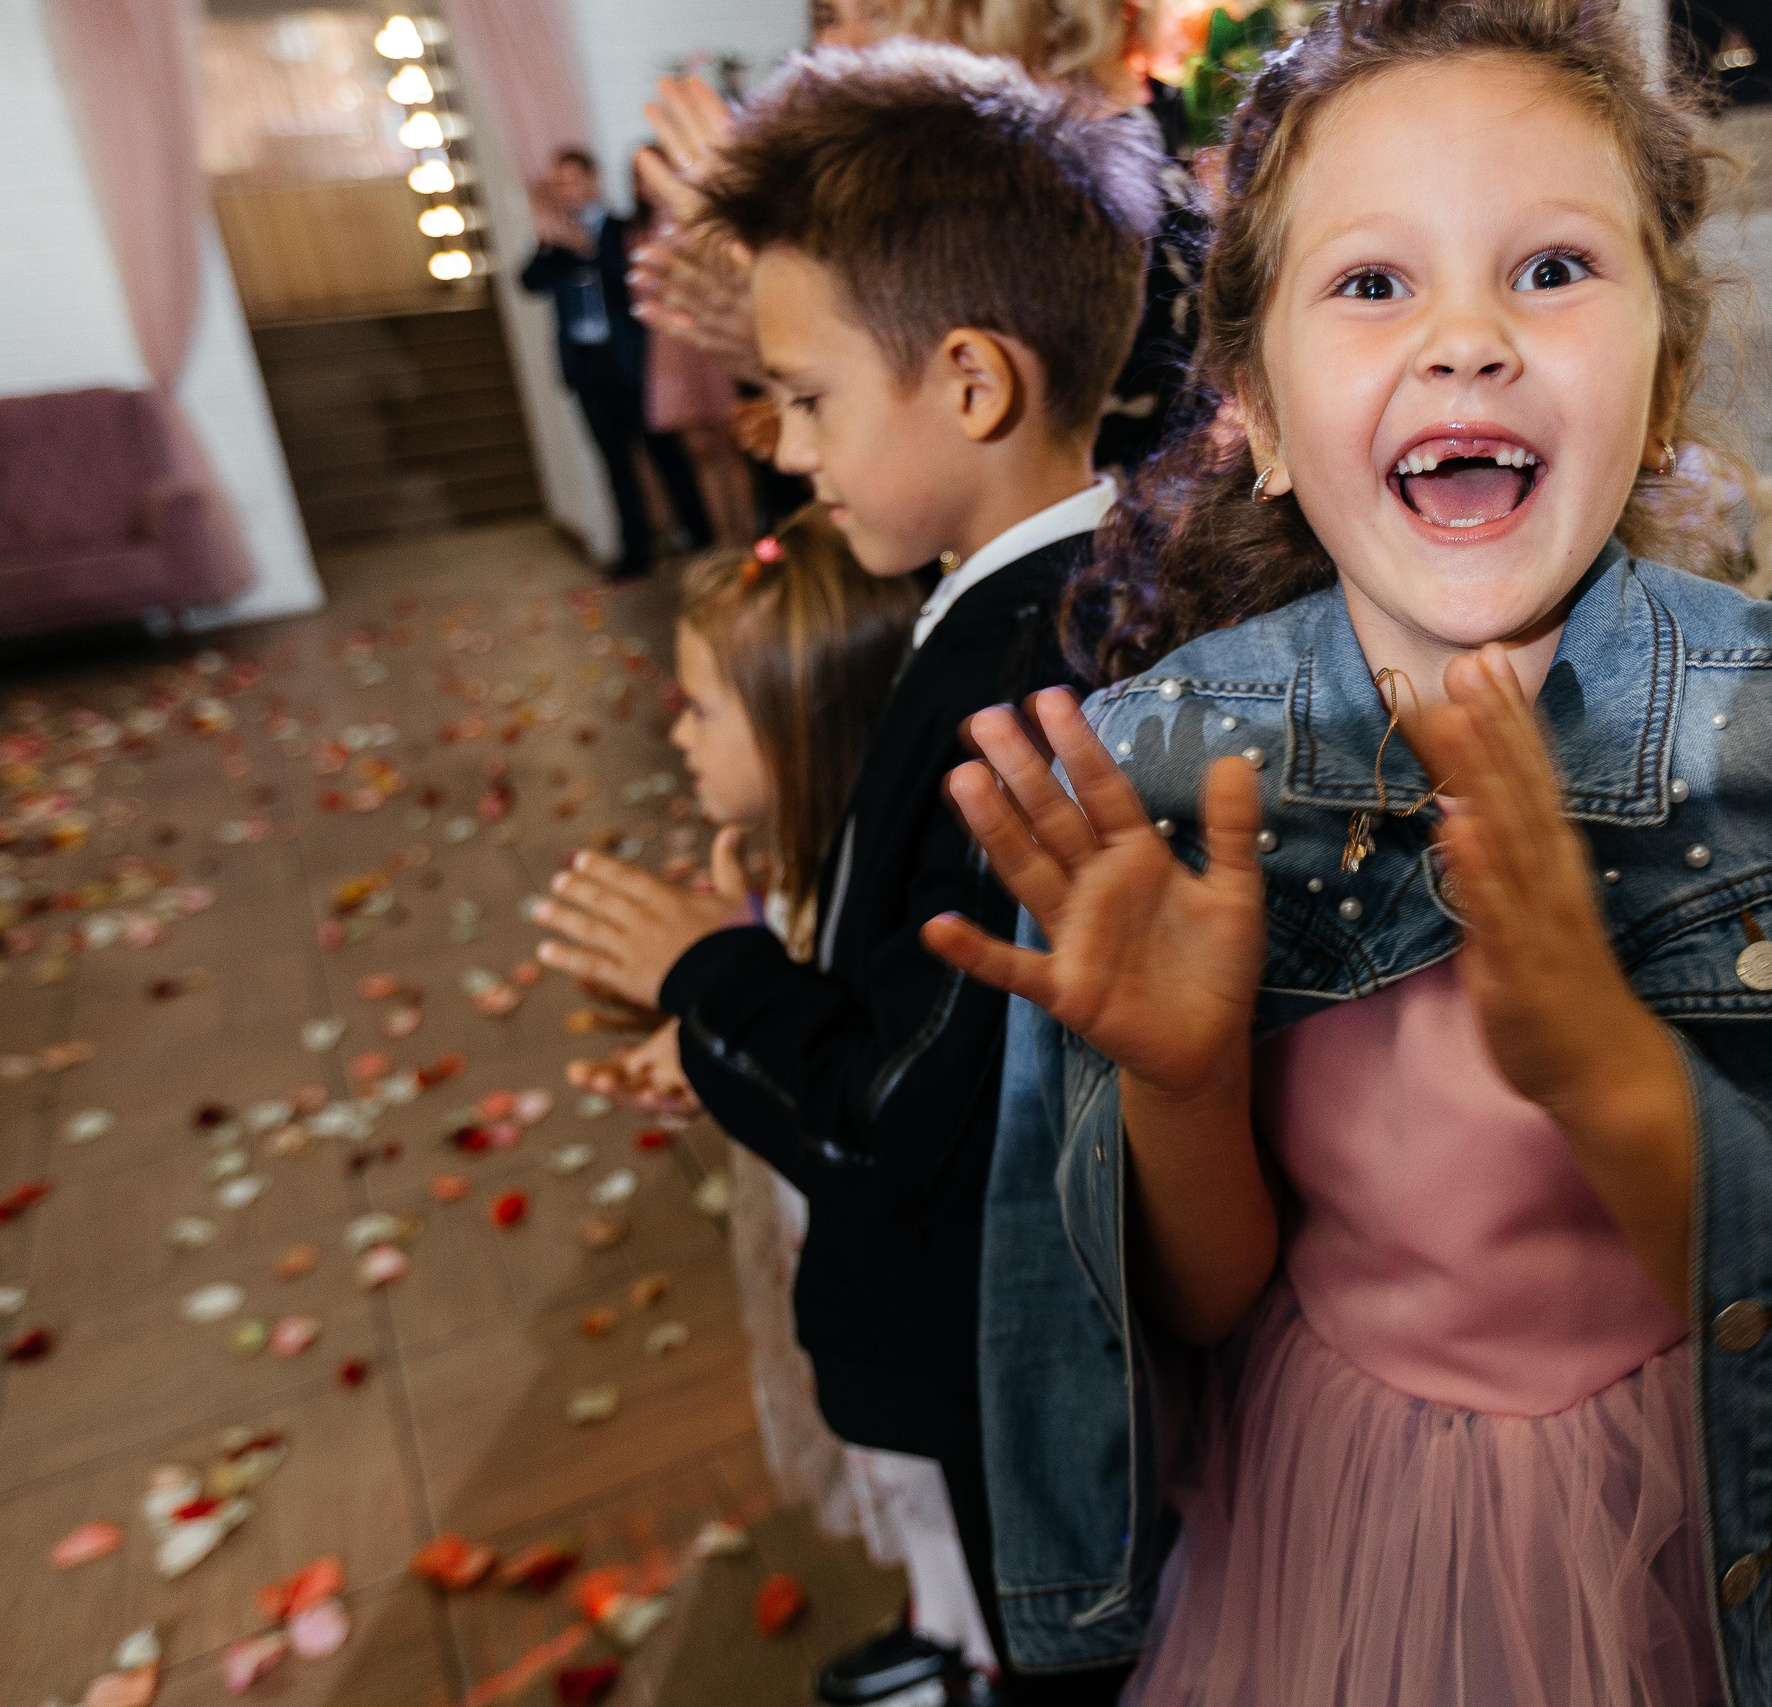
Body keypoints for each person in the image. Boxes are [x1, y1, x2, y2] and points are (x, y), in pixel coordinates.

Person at [922, 1, 1772, 1702]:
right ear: (1264, 416)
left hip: (1685, 1534)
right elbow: (1208, 1306)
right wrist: (1178, 1078)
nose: (1467, 339)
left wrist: (1608, 1065)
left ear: (1665, 381)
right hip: (1328, 1527)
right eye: (1373, 283)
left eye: (1550, 270)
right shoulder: (1170, 778)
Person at [529, 43, 1160, 1707]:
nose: (789, 451)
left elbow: (906, 1116)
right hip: (999, 1342)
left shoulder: (1026, 689)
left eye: (807, 400)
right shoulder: (1026, 597)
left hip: (1004, 1354)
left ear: (971, 383)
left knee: (1062, 1650)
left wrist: (707, 969)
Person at [566, 511, 1003, 1681]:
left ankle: (972, 1657)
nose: (676, 732)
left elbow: (846, 1083)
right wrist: (691, 1045)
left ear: (799, 725)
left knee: (940, 1488)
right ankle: (941, 1631)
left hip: (910, 1293)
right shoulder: (790, 881)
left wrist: (713, 984)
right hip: (834, 1249)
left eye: (703, 707)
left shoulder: (873, 908)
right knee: (904, 1496)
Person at [627, 0, 1202, 478]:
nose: (836, 51)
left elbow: (1028, 500)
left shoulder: (1115, 205)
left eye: (878, 13)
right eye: (828, 16)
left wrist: (788, 332)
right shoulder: (965, 205)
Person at [520, 147, 714, 579]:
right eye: (558, 184)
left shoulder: (620, 228)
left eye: (571, 180)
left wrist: (575, 242)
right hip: (586, 366)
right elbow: (529, 281)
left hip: (631, 363)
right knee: (615, 464)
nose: (565, 191)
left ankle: (701, 537)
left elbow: (625, 279)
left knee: (667, 455)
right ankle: (636, 554)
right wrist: (548, 237)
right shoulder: (554, 238)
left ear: (592, 181)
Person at [636, 150, 759, 549]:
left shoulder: (697, 217)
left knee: (731, 443)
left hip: (706, 332)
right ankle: (723, 541)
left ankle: (747, 535)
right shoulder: (644, 227)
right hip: (672, 343)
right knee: (700, 451)